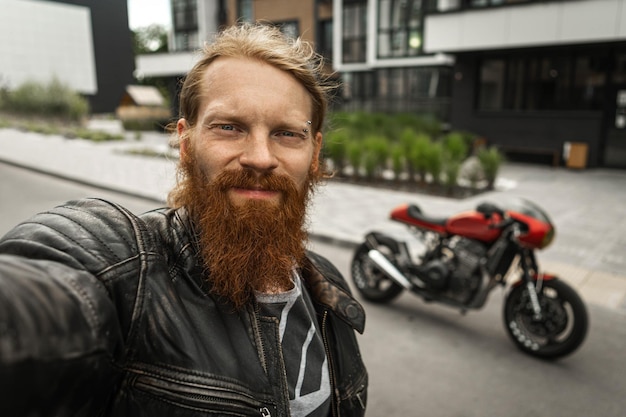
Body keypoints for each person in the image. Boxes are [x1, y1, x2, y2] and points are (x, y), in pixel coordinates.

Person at [0, 23, 367, 417]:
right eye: (229, 127)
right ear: (186, 144)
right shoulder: (131, 270)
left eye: (287, 134)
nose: (260, 157)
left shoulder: (328, 290)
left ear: (314, 154)